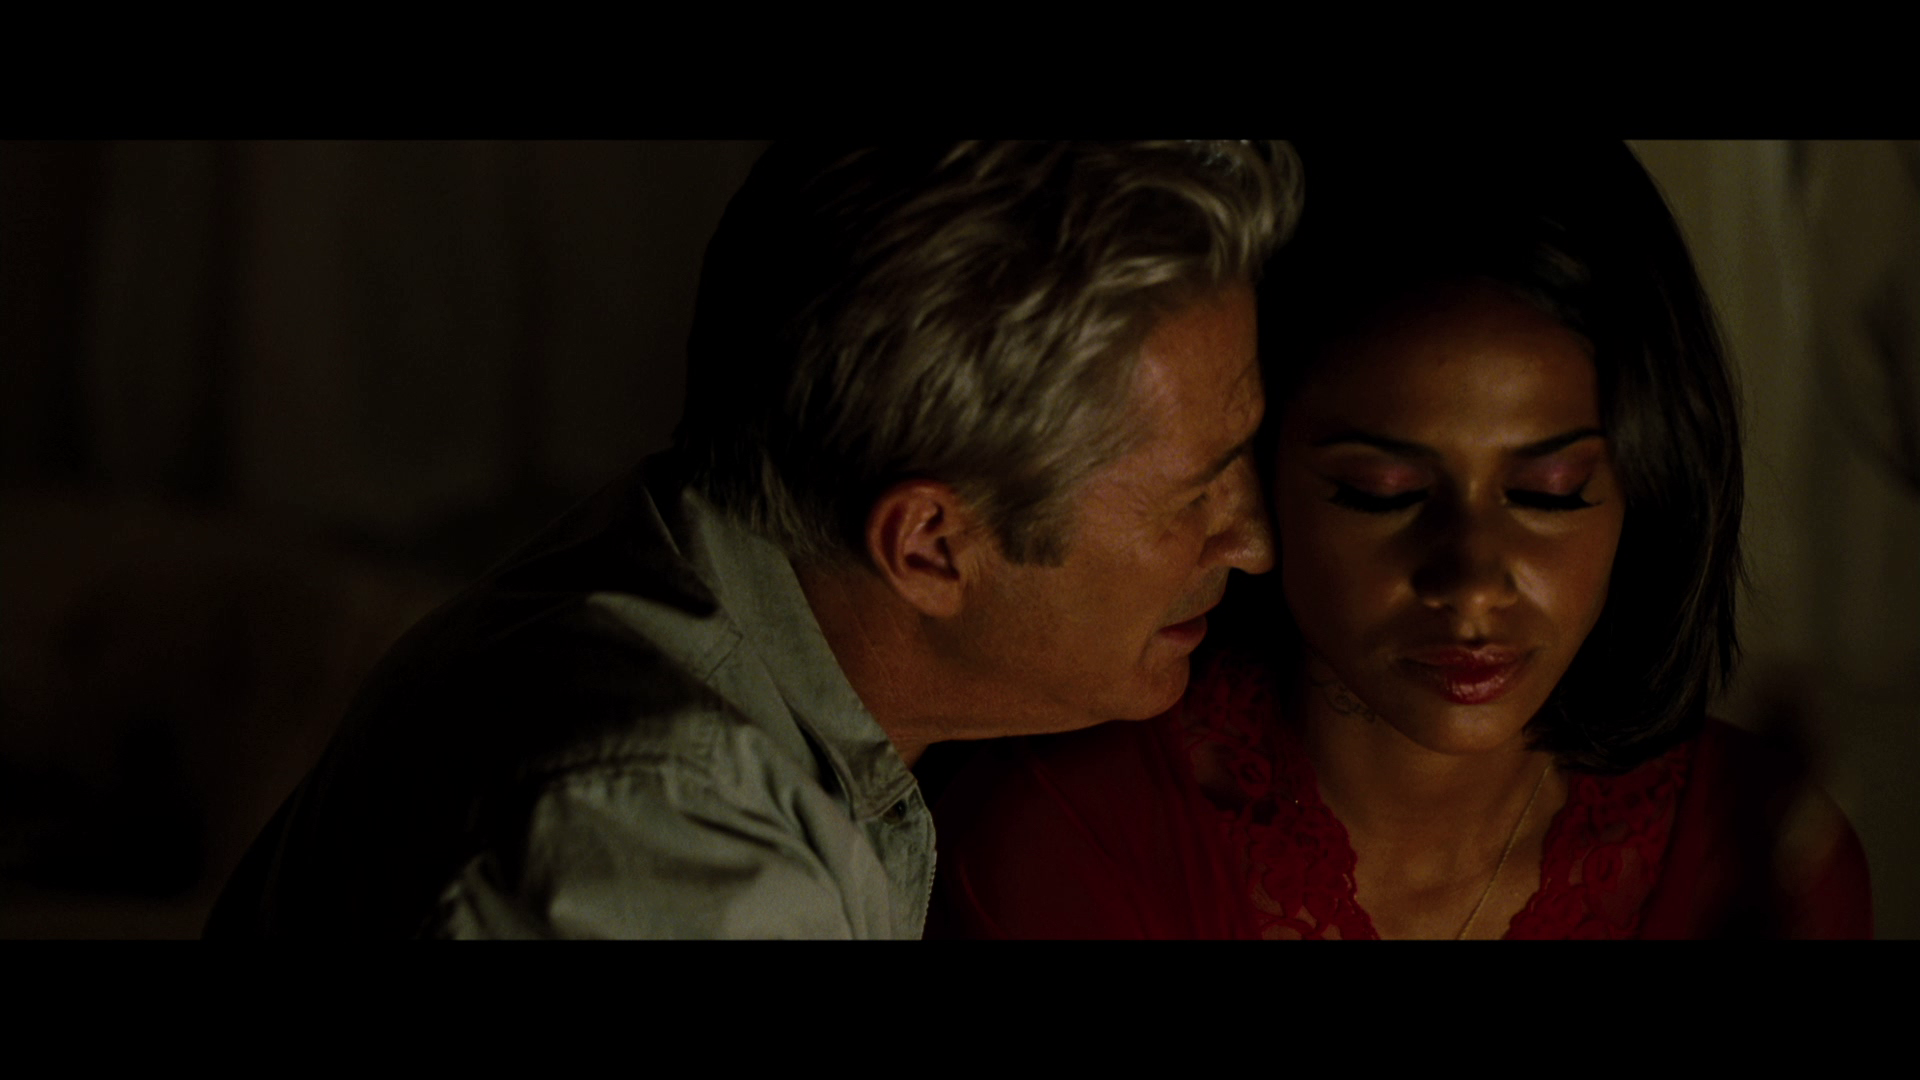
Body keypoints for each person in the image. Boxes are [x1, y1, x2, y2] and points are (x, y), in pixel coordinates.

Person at [204, 141, 1302, 938]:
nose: (1253, 541)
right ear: (930, 546)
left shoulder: (675, 571)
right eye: (1195, 492)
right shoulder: (674, 841)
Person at [929, 141, 1874, 939]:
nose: (1471, 582)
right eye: (1380, 495)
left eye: (1548, 495)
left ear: (1648, 486)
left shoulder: (1765, 854)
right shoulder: (1070, 839)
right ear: (1251, 471)